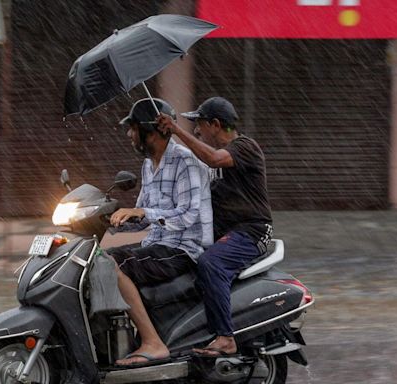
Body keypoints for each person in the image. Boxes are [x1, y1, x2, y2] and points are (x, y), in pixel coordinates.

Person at [156, 96, 273, 356]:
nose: (197, 130)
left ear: (216, 124)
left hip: (251, 232)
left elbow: (214, 159)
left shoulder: (245, 147)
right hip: (224, 234)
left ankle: (225, 337)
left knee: (211, 263)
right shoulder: (209, 157)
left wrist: (176, 130)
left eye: (200, 124)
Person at [106, 98, 213, 366]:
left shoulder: (185, 162)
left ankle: (152, 342)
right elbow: (143, 217)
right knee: (96, 259)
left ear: (149, 130)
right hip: (157, 245)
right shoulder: (148, 164)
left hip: (182, 249)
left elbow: (188, 216)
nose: (130, 135)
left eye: (132, 128)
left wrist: (144, 213)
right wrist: (109, 220)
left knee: (110, 265)